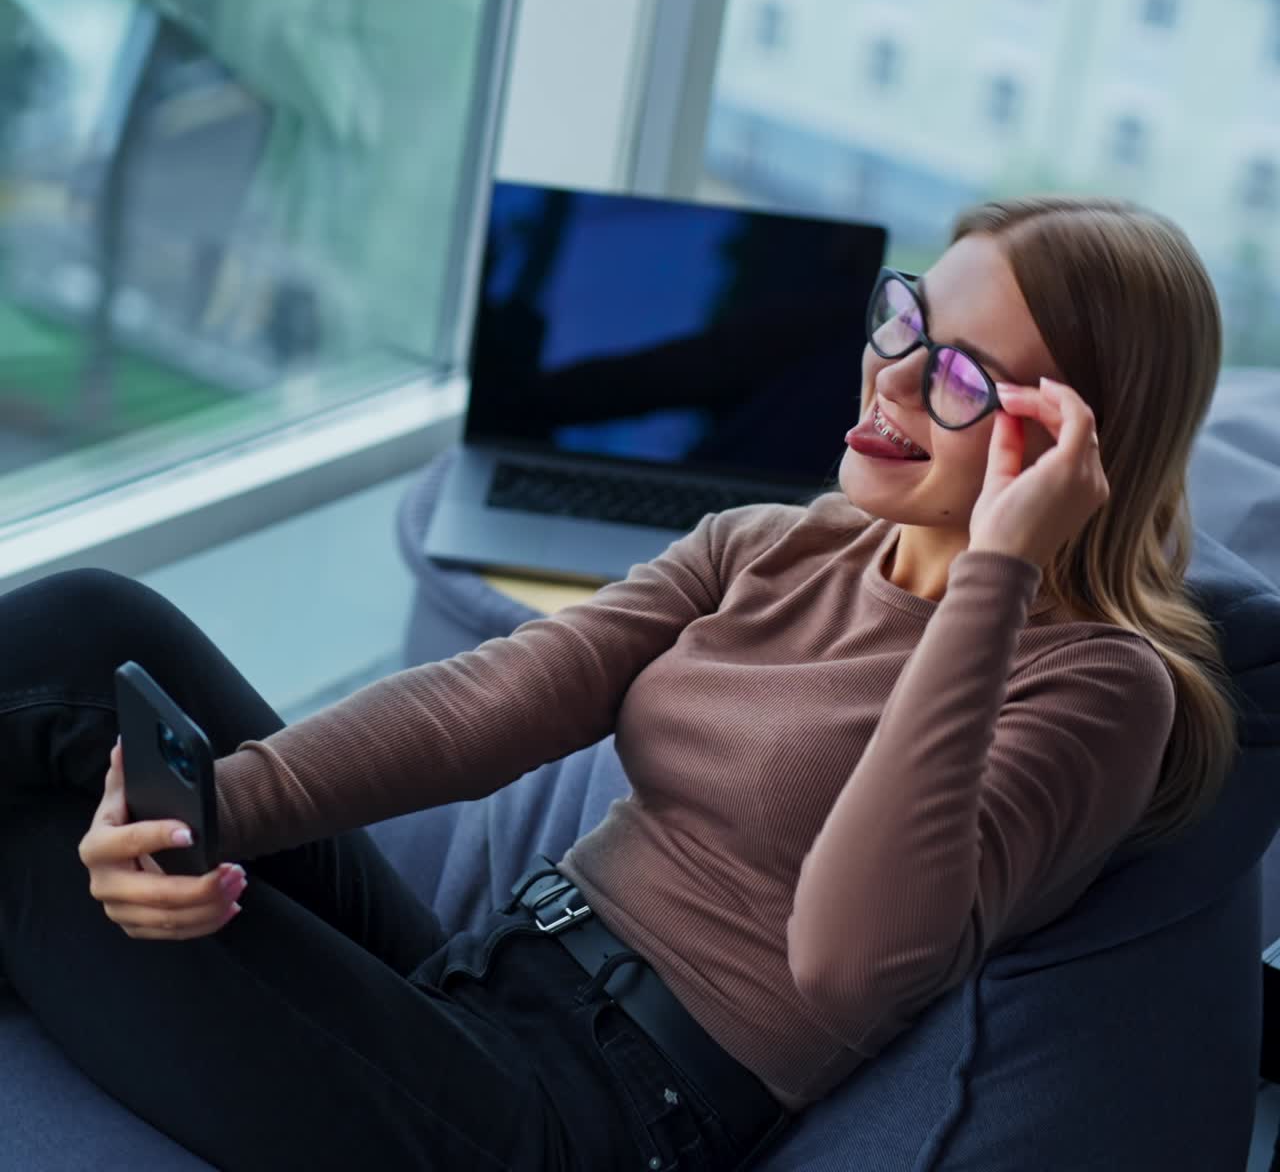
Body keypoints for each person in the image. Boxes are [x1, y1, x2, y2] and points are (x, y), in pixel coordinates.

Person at [0, 194, 1239, 1172]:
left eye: (964, 377)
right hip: (478, 979)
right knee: (86, 623)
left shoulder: (1098, 686)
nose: (893, 377)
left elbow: (849, 960)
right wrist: (212, 811)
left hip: (580, 1117)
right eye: (904, 318)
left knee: (30, 850)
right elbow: (503, 695)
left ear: (1079, 441)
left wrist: (1000, 570)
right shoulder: (778, 540)